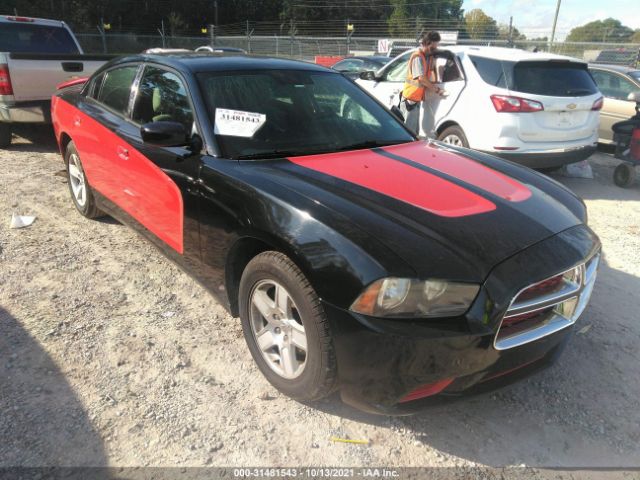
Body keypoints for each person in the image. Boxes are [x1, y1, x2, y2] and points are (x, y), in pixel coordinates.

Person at [400, 31, 445, 137]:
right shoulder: (417, 57)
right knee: (408, 135)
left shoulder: (427, 58)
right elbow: (422, 79)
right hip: (410, 101)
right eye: (432, 48)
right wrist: (437, 90)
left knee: (414, 133)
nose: (434, 50)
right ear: (425, 43)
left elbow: (431, 75)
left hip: (416, 101)